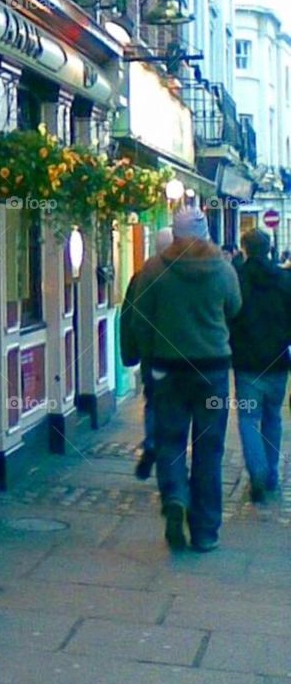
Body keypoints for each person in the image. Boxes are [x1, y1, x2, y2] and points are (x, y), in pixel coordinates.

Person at [120, 207, 241, 552]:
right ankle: (205, 532)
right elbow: (235, 308)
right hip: (212, 369)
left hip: (168, 368)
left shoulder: (154, 270)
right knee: (209, 449)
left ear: (174, 233)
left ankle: (174, 494)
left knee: (171, 440)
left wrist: (151, 355)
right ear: (203, 233)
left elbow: (139, 320)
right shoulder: (223, 268)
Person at [229, 228, 291, 501]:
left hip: (246, 362)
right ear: (268, 249)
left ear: (245, 248)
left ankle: (258, 474)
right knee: (273, 417)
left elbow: (230, 315)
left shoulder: (237, 279)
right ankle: (272, 473)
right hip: (277, 361)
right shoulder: (284, 280)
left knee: (248, 419)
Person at [121, 227, 173, 481]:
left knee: (153, 400)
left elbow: (130, 318)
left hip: (152, 356)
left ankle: (153, 442)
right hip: (182, 358)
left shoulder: (142, 277)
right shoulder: (184, 277)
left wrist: (132, 352)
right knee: (177, 407)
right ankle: (173, 462)